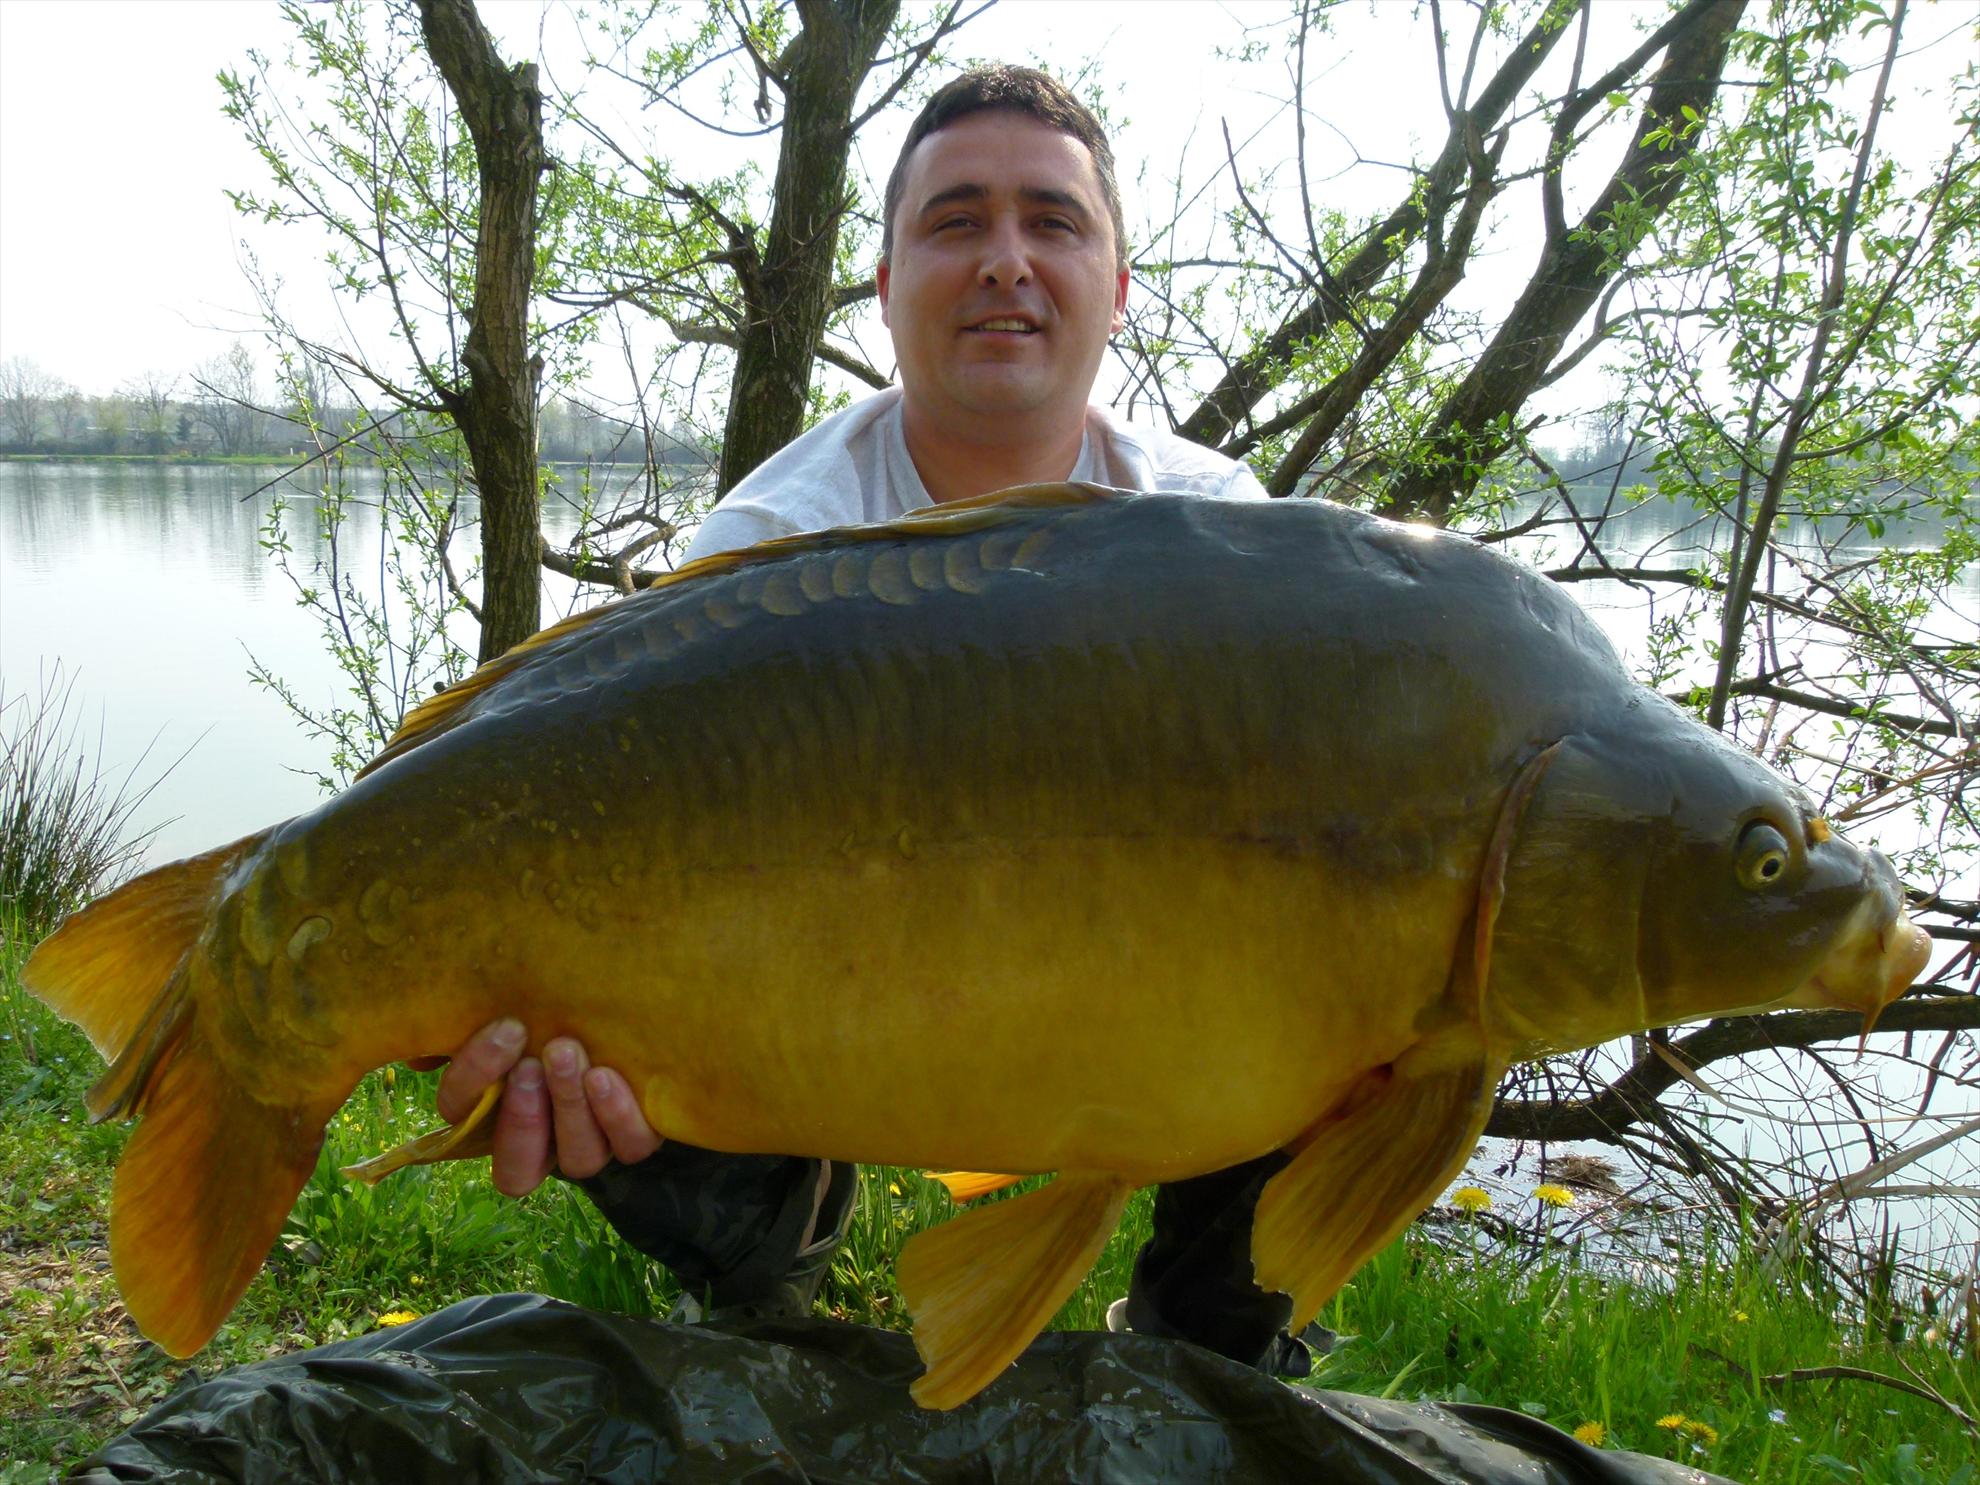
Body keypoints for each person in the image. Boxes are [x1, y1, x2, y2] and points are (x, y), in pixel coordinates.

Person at [431, 64, 1317, 1377]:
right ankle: (772, 1290)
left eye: (1053, 222)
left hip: (1123, 979)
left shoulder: (1228, 540)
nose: (1006, 260)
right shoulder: (769, 546)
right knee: (570, 1006)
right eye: (957, 222)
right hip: (825, 988)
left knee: (1356, 971)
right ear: (890, 284)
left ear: (1118, 288)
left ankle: (1215, 1351)